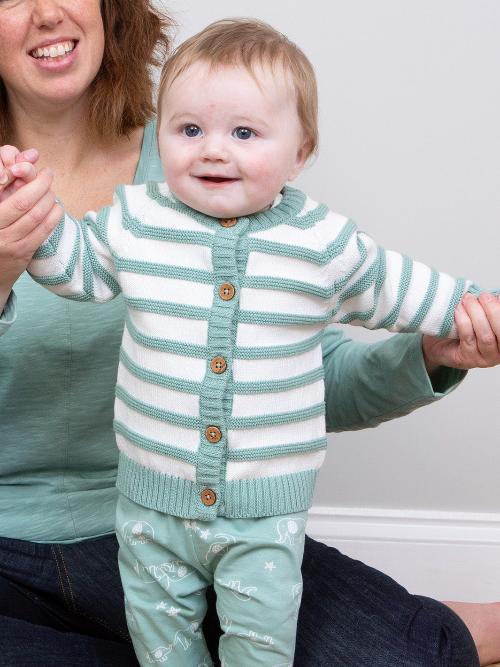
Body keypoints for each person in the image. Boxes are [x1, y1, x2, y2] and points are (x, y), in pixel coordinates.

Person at [1, 2, 500, 666]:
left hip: (201, 522)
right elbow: (72, 263)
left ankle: (441, 627)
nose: (45, 12)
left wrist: (436, 348)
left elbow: (311, 358)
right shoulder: (146, 203)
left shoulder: (203, 167)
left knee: (402, 649)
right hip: (26, 547)